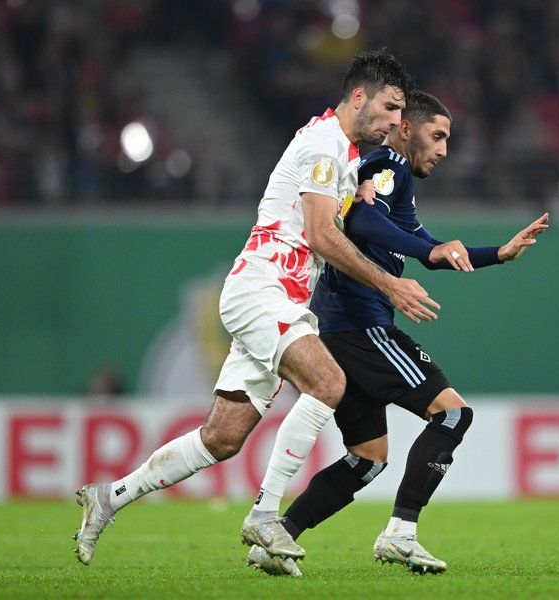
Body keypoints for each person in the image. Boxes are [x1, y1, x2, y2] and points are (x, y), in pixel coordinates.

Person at [71, 49, 439, 566]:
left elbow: (347, 219)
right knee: (328, 383)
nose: (399, 121)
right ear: (359, 96)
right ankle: (265, 515)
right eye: (391, 106)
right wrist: (389, 284)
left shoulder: (348, 156)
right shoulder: (321, 144)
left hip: (281, 298)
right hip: (259, 290)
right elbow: (319, 233)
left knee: (220, 439)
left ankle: (109, 498)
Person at [247, 91, 550, 577]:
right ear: (406, 129)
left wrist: (498, 252)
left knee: (367, 459)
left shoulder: (392, 184)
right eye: (438, 136)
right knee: (453, 415)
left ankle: (277, 536)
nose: (444, 150)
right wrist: (410, 261)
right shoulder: (389, 161)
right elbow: (360, 217)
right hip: (359, 323)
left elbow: (427, 248)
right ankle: (401, 533)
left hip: (336, 327)